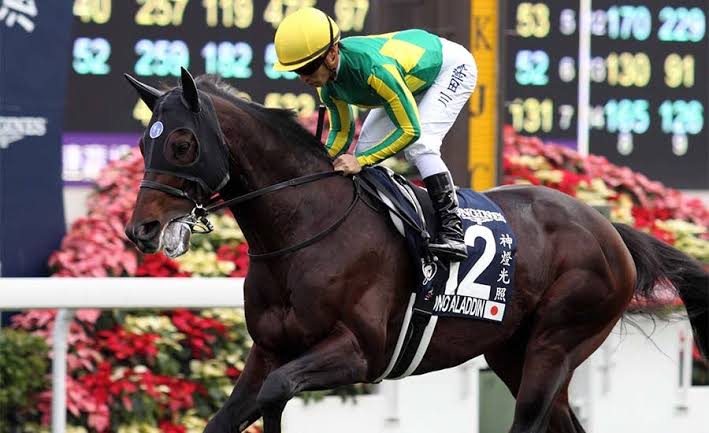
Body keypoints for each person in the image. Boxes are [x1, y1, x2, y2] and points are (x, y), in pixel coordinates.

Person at [273, 7, 477, 262]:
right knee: (364, 150)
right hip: (406, 78)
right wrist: (318, 162)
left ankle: (452, 229)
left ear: (332, 54)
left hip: (449, 68)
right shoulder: (325, 83)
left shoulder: (373, 71)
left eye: (308, 67)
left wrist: (361, 161)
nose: (304, 77)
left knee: (421, 145)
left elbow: (410, 130)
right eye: (297, 70)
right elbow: (342, 131)